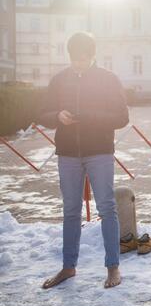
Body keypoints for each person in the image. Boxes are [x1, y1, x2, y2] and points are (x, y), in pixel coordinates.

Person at [38, 32, 129, 289]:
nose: (78, 63)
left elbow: (122, 117)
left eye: (83, 59)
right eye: (74, 59)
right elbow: (42, 113)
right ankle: (68, 267)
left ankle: (113, 267)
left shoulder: (108, 80)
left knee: (107, 208)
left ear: (92, 56)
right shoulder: (59, 80)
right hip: (67, 153)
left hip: (99, 151)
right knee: (70, 211)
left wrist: (89, 116)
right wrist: (58, 116)